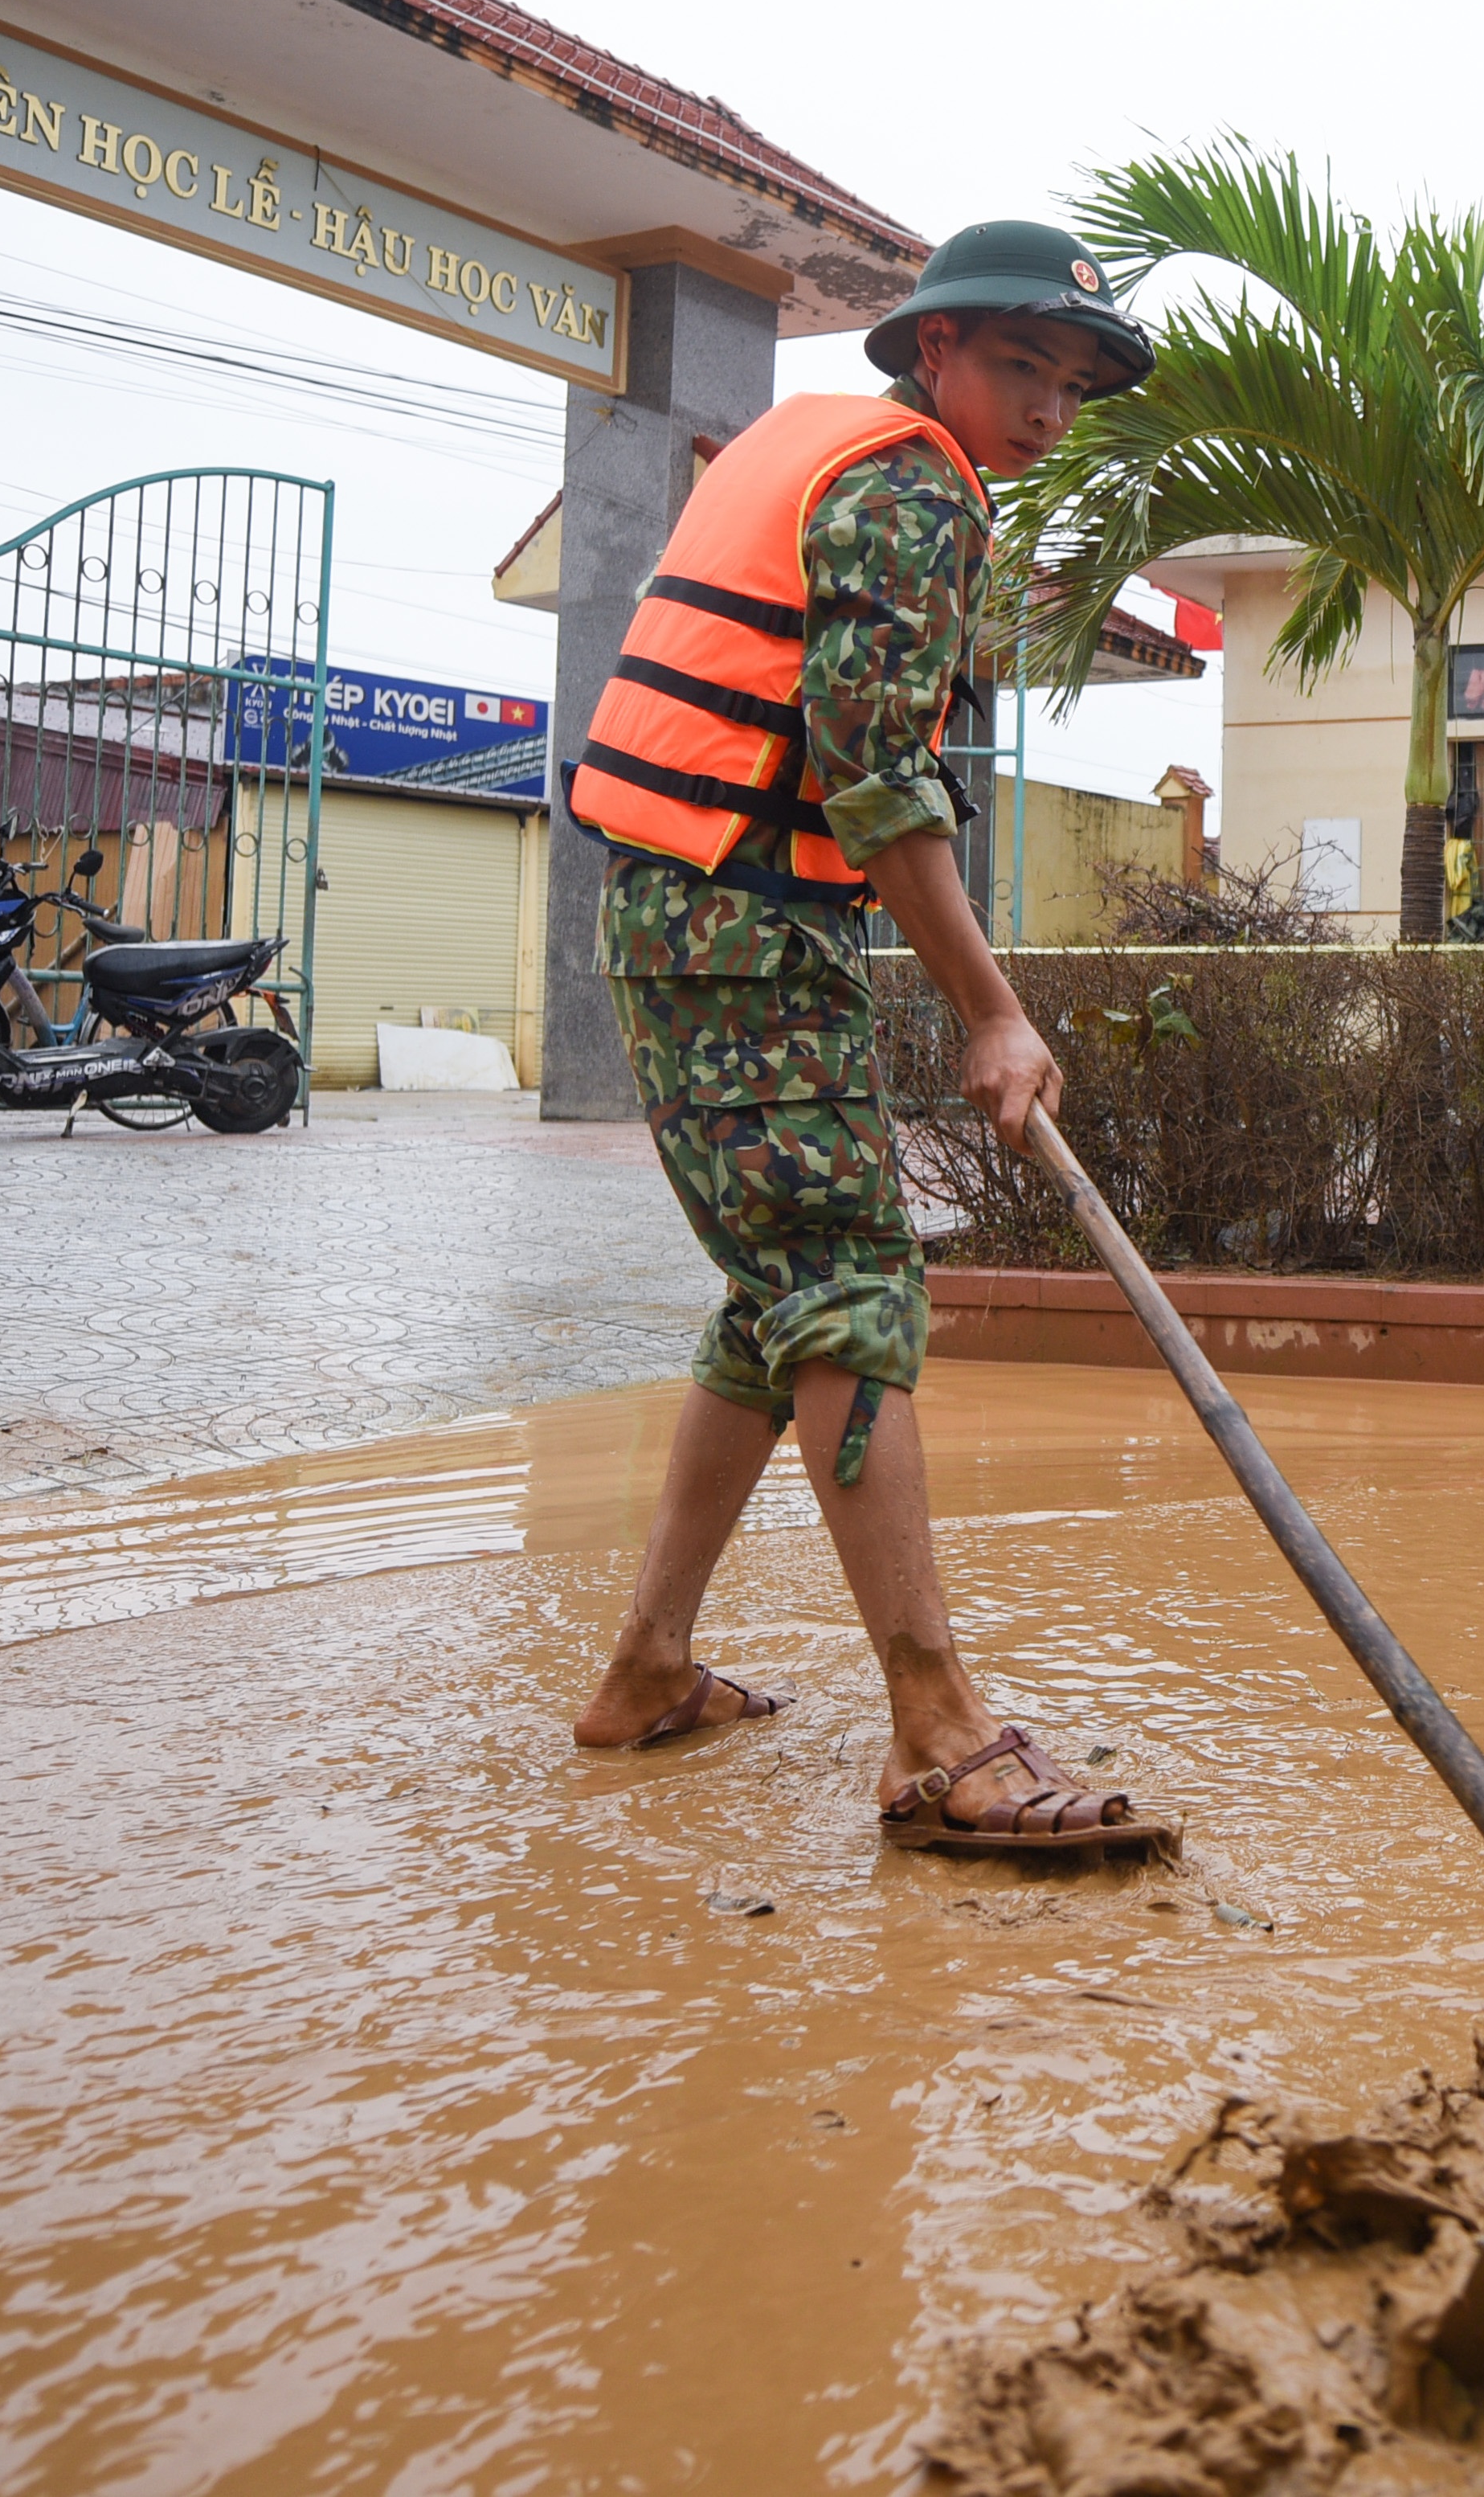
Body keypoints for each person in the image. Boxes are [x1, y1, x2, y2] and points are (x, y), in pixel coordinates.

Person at [559, 218, 1179, 1854]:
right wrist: (992, 1005)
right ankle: (940, 1732)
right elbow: (873, 769)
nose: (1048, 405)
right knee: (847, 1284)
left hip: (715, 916)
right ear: (933, 352)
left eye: (1075, 377)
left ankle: (646, 1666)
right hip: (738, 925)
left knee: (778, 1300)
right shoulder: (907, 488)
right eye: (1020, 364)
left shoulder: (836, 456)